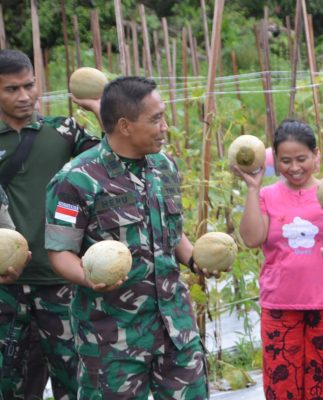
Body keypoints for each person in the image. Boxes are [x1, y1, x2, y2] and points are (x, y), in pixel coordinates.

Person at [45, 76, 211, 398]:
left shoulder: (163, 166)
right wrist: (88, 277)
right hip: (111, 338)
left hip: (175, 328)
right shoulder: (75, 180)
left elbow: (172, 233)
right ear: (124, 125)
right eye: (156, 119)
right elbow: (59, 252)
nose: (165, 127)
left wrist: (194, 259)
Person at [0, 49, 100, 399]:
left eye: (29, 85)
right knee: (10, 386)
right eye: (12, 89)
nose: (25, 96)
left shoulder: (64, 131)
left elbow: (111, 161)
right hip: (5, 291)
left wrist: (100, 109)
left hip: (59, 283)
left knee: (75, 382)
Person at [234, 119, 323, 399]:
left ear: (316, 156)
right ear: (275, 160)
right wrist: (251, 188)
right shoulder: (266, 196)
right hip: (280, 307)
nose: (294, 167)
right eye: (285, 161)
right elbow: (251, 238)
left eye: (301, 159)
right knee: (282, 388)